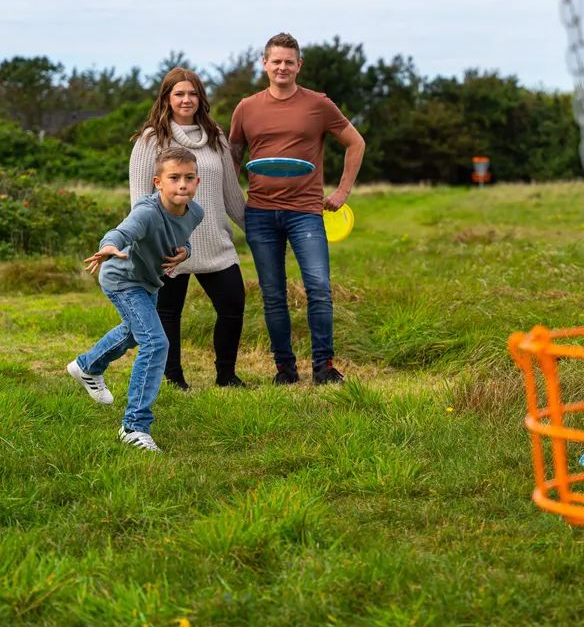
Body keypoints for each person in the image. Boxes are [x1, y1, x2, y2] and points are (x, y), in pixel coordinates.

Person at [228, 33, 365, 386]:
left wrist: (343, 191)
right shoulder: (246, 107)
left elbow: (355, 142)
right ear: (265, 64)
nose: (282, 67)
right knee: (272, 295)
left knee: (318, 287)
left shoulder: (318, 104)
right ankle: (285, 370)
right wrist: (228, 199)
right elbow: (232, 158)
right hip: (259, 213)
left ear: (299, 65)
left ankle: (324, 368)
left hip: (305, 211)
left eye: (289, 61)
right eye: (276, 61)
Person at [67, 147, 205, 453]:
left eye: (189, 178)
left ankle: (86, 366)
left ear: (197, 181)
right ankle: (134, 426)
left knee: (132, 333)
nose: (182, 184)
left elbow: (181, 241)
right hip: (122, 279)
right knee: (156, 343)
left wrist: (186, 252)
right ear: (158, 182)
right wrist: (108, 247)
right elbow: (122, 231)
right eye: (174, 178)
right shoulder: (147, 211)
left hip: (148, 282)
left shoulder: (196, 212)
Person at [130, 68, 248, 391]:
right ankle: (173, 378)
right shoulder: (151, 140)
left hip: (215, 242)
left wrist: (257, 231)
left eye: (192, 93)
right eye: (179, 93)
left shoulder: (215, 137)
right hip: (168, 244)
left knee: (233, 304)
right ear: (167, 97)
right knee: (168, 313)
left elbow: (231, 194)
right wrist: (152, 243)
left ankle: (226, 375)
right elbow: (140, 199)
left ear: (200, 97)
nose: (186, 99)